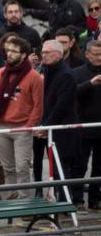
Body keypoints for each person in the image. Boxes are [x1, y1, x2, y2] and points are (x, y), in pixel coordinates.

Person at [0, 35, 43, 198]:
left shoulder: (34, 77)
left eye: (13, 51)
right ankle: (12, 197)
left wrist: (29, 126)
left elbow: (38, 106)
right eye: (7, 50)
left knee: (22, 167)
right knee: (8, 168)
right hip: (1, 126)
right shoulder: (0, 73)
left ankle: (25, 200)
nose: (9, 54)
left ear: (24, 54)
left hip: (22, 127)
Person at [37, 39, 82, 204]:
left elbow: (61, 106)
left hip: (64, 129)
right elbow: (47, 102)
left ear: (58, 54)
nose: (43, 56)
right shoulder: (49, 70)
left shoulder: (66, 74)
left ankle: (65, 202)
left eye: (47, 53)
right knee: (56, 169)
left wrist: (46, 126)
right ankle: (62, 200)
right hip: (54, 126)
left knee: (63, 168)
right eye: (42, 52)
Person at [74, 40, 101, 209]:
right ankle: (77, 199)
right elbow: (71, 93)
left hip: (100, 128)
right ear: (87, 55)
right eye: (96, 54)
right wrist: (89, 84)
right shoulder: (77, 73)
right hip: (82, 128)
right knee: (80, 166)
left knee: (99, 167)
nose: (99, 57)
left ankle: (95, 199)